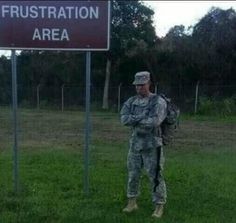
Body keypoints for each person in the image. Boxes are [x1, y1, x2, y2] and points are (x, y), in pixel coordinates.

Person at [120, 71, 167, 218]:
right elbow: (124, 119)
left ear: (149, 84)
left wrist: (135, 119)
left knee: (155, 176)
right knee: (133, 174)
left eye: (142, 84)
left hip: (152, 145)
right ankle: (132, 202)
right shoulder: (131, 101)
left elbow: (154, 122)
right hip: (135, 145)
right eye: (137, 85)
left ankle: (159, 206)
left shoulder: (158, 101)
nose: (139, 87)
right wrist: (141, 117)